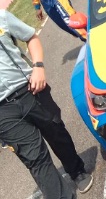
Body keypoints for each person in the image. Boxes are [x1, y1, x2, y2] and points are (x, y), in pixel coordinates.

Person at [0, 10, 93, 197]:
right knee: (35, 160)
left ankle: (76, 170)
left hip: (30, 87)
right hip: (4, 111)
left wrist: (38, 67)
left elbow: (30, 37)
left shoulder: (1, 17)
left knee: (56, 132)